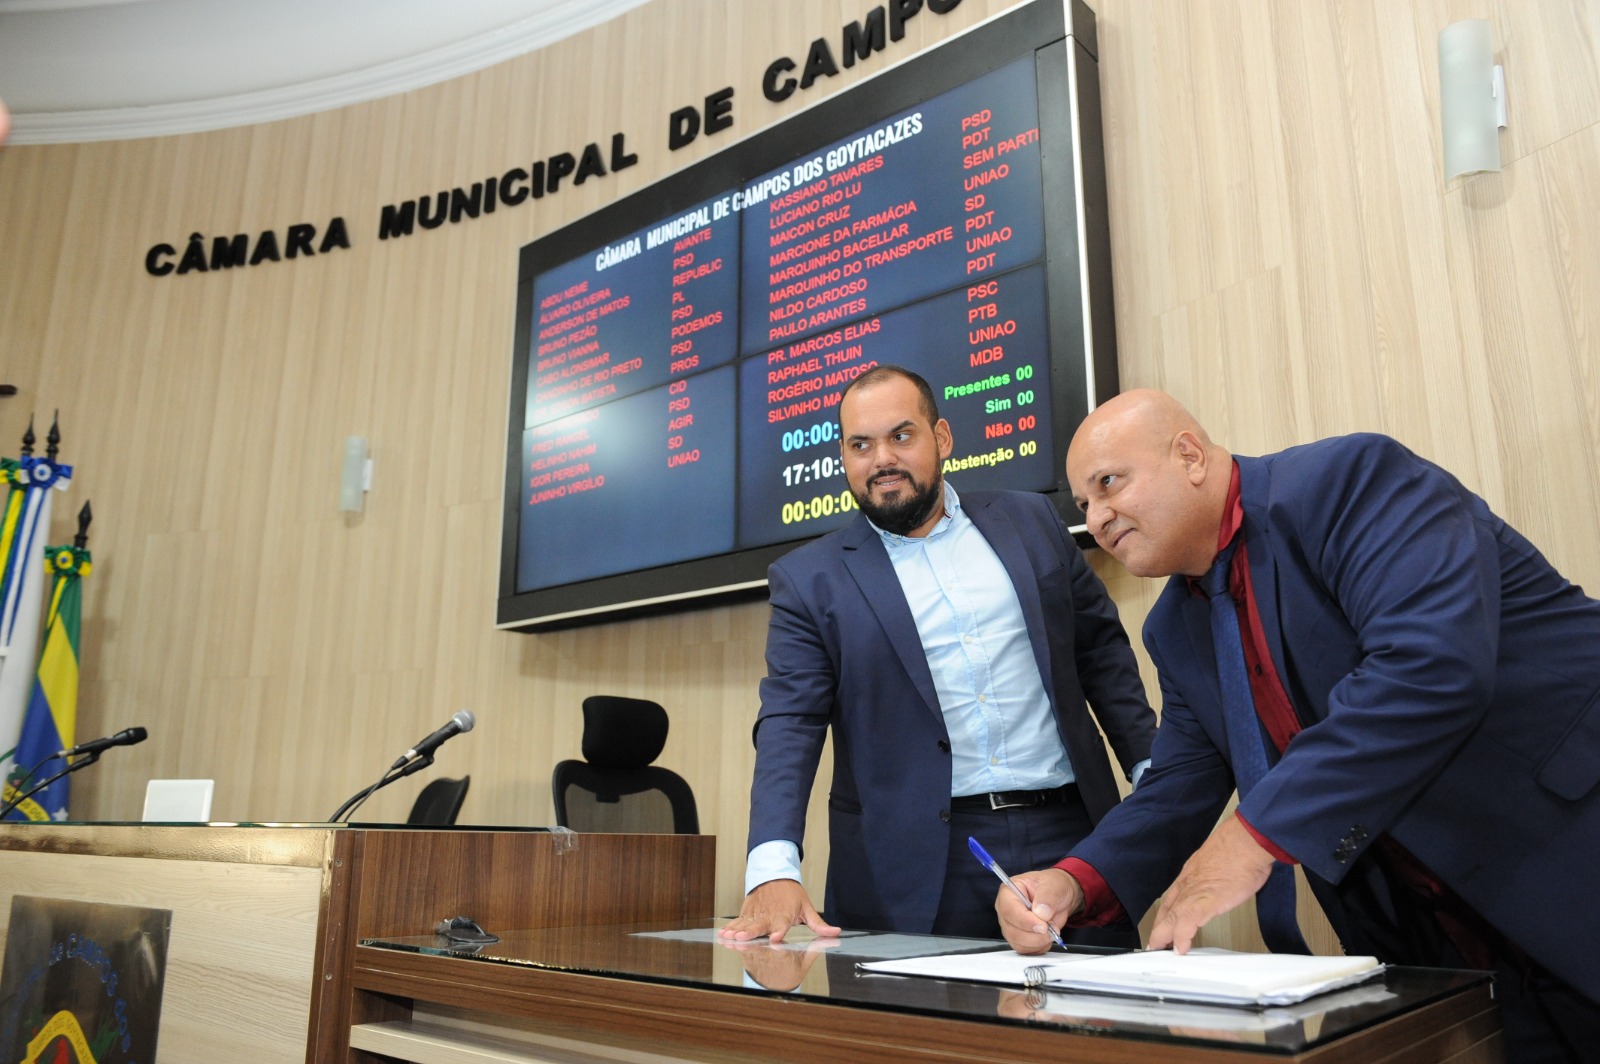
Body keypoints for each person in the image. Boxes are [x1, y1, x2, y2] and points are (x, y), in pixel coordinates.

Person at [996, 389, 1600, 1062]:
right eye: (1083, 506)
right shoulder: (1174, 626)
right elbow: (1180, 783)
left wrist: (1256, 834)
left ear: (1190, 455)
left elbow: (1430, 666)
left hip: (1564, 848)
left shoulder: (1352, 483)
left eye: (1109, 484)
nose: (1099, 518)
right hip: (1454, 941)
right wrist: (1078, 879)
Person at [720, 365, 1155, 943]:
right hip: (911, 864)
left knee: (1094, 1027)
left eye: (901, 436)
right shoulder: (809, 580)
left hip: (1071, 837)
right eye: (861, 445)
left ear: (941, 438)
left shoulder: (1031, 521)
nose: (882, 460)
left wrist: (1155, 779)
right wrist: (773, 866)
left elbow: (1101, 652)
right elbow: (789, 723)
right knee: (919, 1033)